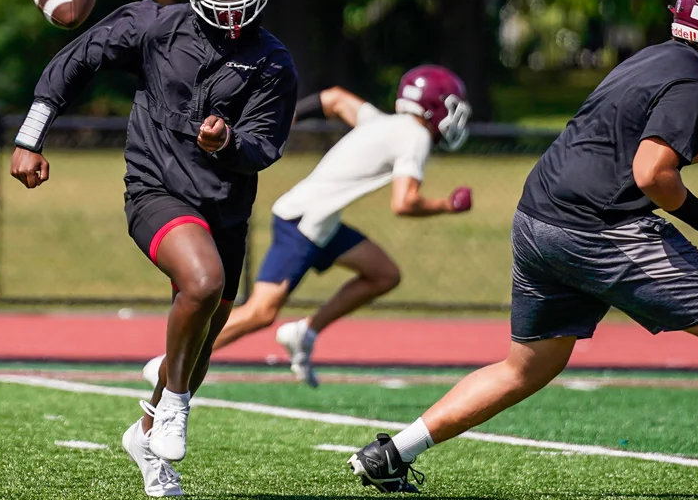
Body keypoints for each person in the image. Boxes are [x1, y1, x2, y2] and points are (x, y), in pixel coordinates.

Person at [348, 0, 698, 500]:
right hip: (598, 224)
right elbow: (652, 172)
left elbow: (645, 146)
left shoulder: (652, 60)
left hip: (539, 217)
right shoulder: (697, 83)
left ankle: (392, 453)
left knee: (528, 364)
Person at [11, 0, 298, 497]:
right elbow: (77, 59)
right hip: (156, 191)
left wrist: (229, 142)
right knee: (202, 284)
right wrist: (30, 135)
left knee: (203, 335)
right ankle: (174, 401)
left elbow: (265, 145)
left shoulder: (272, 62)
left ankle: (146, 433)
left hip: (224, 208)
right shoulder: (155, 26)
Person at [149, 67, 473, 388]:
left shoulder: (384, 122)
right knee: (261, 312)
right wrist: (448, 205)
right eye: (452, 106)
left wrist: (286, 119)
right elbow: (405, 202)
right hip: (304, 220)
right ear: (433, 105)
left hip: (321, 220)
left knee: (384, 273)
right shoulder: (414, 136)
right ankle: (170, 362)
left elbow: (333, 98)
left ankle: (305, 332)